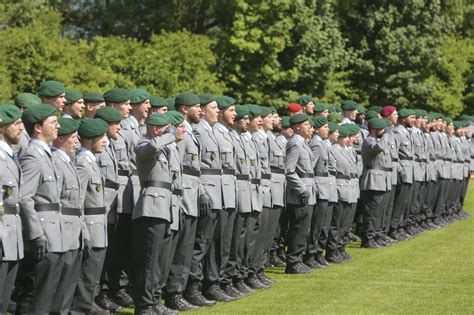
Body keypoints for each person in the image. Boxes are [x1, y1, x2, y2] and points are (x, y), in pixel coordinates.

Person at [17, 104, 64, 314]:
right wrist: (36, 234)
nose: (58, 126)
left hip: (54, 230)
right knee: (35, 294)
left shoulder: (47, 154)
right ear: (38, 127)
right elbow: (24, 198)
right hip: (43, 232)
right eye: (53, 122)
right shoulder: (33, 156)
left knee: (47, 293)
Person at [132, 113, 177, 314]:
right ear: (156, 129)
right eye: (166, 129)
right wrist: (171, 135)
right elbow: (150, 148)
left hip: (166, 205)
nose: (170, 133)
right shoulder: (144, 142)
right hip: (151, 205)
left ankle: (154, 300)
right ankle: (143, 305)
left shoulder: (165, 146)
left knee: (160, 259)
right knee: (149, 260)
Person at [164, 92, 203, 310]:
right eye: (196, 106)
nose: (200, 110)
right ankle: (172, 292)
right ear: (184, 109)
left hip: (191, 195)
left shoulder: (188, 129)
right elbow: (174, 167)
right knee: (179, 248)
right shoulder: (176, 131)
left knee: (187, 247)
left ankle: (179, 289)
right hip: (182, 196)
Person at [71, 118, 110, 314]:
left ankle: (87, 306)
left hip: (99, 225)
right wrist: (83, 231)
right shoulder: (82, 164)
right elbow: (77, 202)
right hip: (90, 225)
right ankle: (81, 309)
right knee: (86, 275)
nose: (105, 141)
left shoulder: (91, 161)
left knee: (93, 273)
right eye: (101, 137)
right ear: (88, 139)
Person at [95, 107, 131, 309]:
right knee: (100, 254)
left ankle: (105, 291)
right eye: (115, 123)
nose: (119, 126)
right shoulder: (98, 148)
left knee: (111, 253)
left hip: (111, 206)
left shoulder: (109, 144)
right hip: (102, 207)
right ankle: (97, 295)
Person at [50, 118, 85, 313]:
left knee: (69, 281)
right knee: (59, 282)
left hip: (74, 229)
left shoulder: (68, 160)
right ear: (60, 139)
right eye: (73, 137)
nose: (77, 141)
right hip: (63, 229)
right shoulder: (56, 161)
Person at [212, 96, 239, 299]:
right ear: (221, 112)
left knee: (228, 239)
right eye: (231, 110)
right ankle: (213, 283)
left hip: (230, 192)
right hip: (218, 193)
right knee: (217, 241)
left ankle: (223, 280)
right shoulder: (215, 134)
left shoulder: (229, 134)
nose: (235, 114)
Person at [284, 113, 316, 274]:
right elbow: (289, 171)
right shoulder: (295, 143)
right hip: (300, 192)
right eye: (305, 124)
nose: (309, 127)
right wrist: (301, 188)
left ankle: (298, 259)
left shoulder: (303, 143)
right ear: (296, 127)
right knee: (298, 228)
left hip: (308, 189)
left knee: (304, 228)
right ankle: (293, 262)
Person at [0, 105, 24, 313]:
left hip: (12, 233)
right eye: (16, 124)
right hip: (1, 233)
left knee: (5, 297)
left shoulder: (11, 156)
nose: (21, 128)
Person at [304, 115, 335, 268]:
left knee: (323, 223)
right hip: (320, 185)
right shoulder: (316, 144)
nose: (328, 130)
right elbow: (310, 167)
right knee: (317, 224)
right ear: (316, 129)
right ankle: (310, 254)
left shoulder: (323, 143)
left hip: (326, 185)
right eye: (325, 127)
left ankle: (317, 252)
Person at [359, 118, 391, 248]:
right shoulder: (368, 141)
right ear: (374, 130)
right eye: (381, 129)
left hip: (379, 179)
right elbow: (378, 148)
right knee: (371, 211)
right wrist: (387, 135)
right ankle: (367, 239)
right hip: (372, 179)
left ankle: (374, 235)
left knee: (376, 211)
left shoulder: (377, 141)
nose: (383, 132)